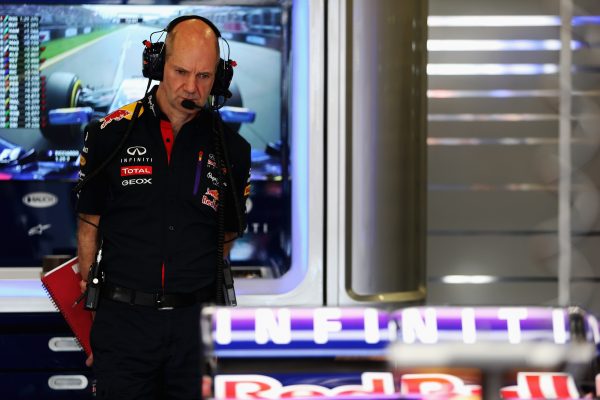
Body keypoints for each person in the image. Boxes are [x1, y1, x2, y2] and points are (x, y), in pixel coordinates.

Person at [76, 16, 251, 399]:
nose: (191, 87)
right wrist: (96, 320)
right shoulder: (110, 134)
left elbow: (228, 234)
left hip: (194, 329)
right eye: (180, 72)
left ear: (219, 79)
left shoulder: (234, 151)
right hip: (123, 325)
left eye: (204, 76)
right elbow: (89, 224)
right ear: (157, 66)